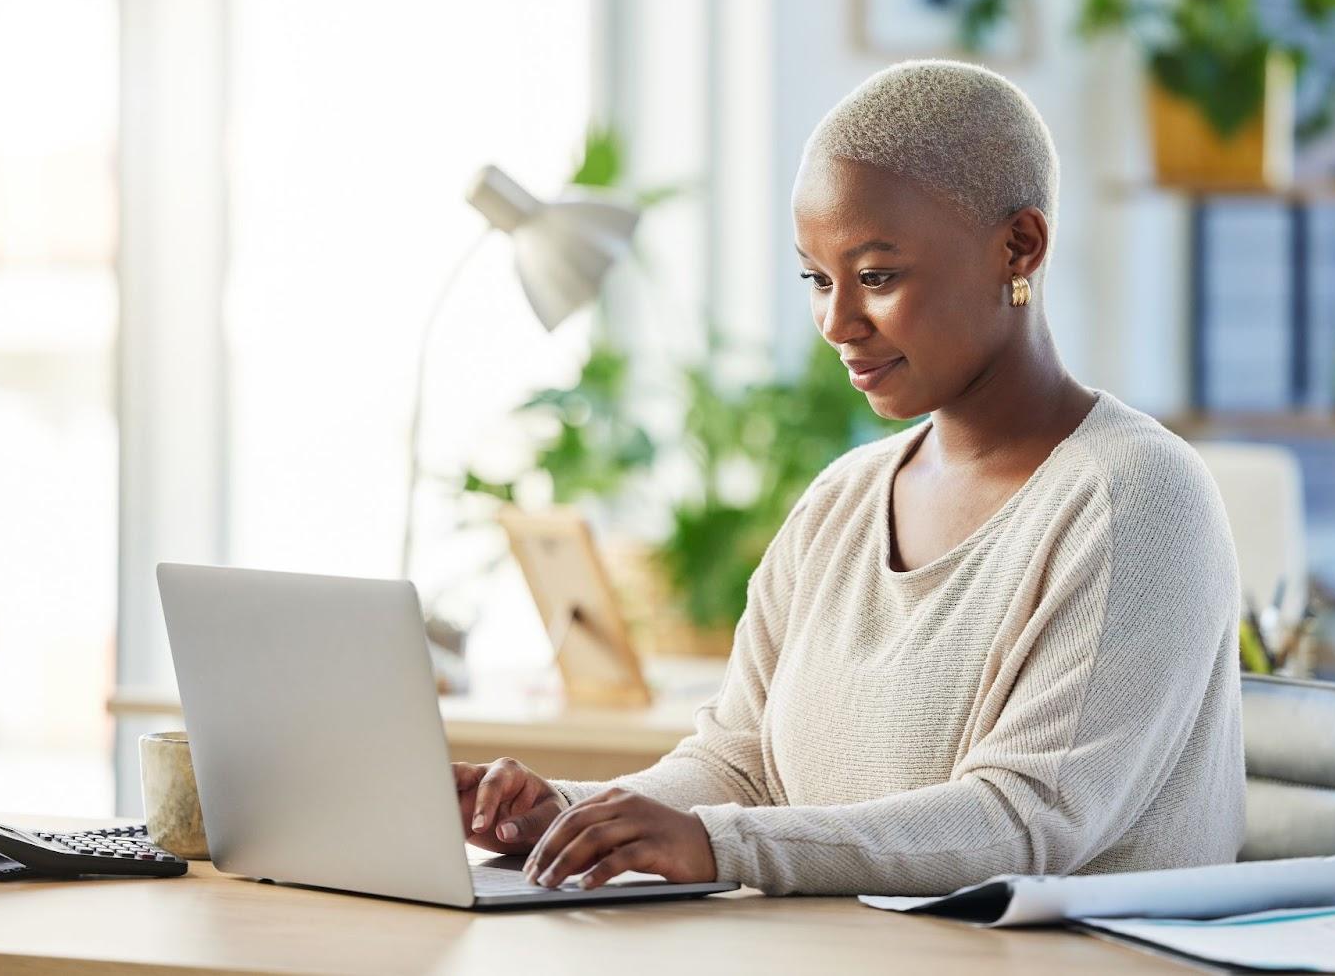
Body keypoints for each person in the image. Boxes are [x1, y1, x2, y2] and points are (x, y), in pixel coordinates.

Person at [453, 60, 1245, 896]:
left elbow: (1027, 820)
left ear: (1019, 246)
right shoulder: (843, 500)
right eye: (817, 279)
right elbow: (740, 767)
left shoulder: (1135, 499)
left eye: (876, 277)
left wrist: (720, 846)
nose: (836, 322)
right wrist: (569, 819)